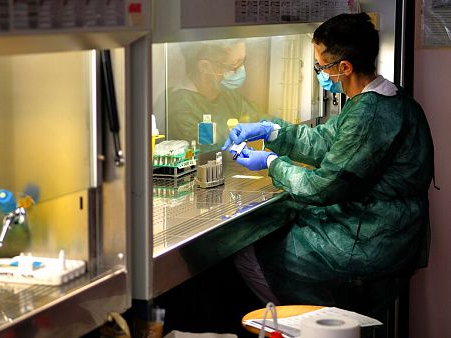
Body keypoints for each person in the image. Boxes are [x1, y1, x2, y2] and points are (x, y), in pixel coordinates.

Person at [223, 13, 434, 308]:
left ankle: (298, 326)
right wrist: (271, 131)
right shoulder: (380, 97)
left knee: (250, 256)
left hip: (368, 242)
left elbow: (323, 187)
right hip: (381, 232)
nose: (318, 73)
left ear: (344, 67)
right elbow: (325, 140)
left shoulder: (371, 113)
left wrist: (272, 163)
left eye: (320, 67)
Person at [166, 39, 265, 149]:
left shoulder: (227, 95)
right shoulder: (181, 108)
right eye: (233, 65)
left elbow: (256, 120)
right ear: (205, 67)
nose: (240, 70)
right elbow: (206, 154)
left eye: (242, 61)